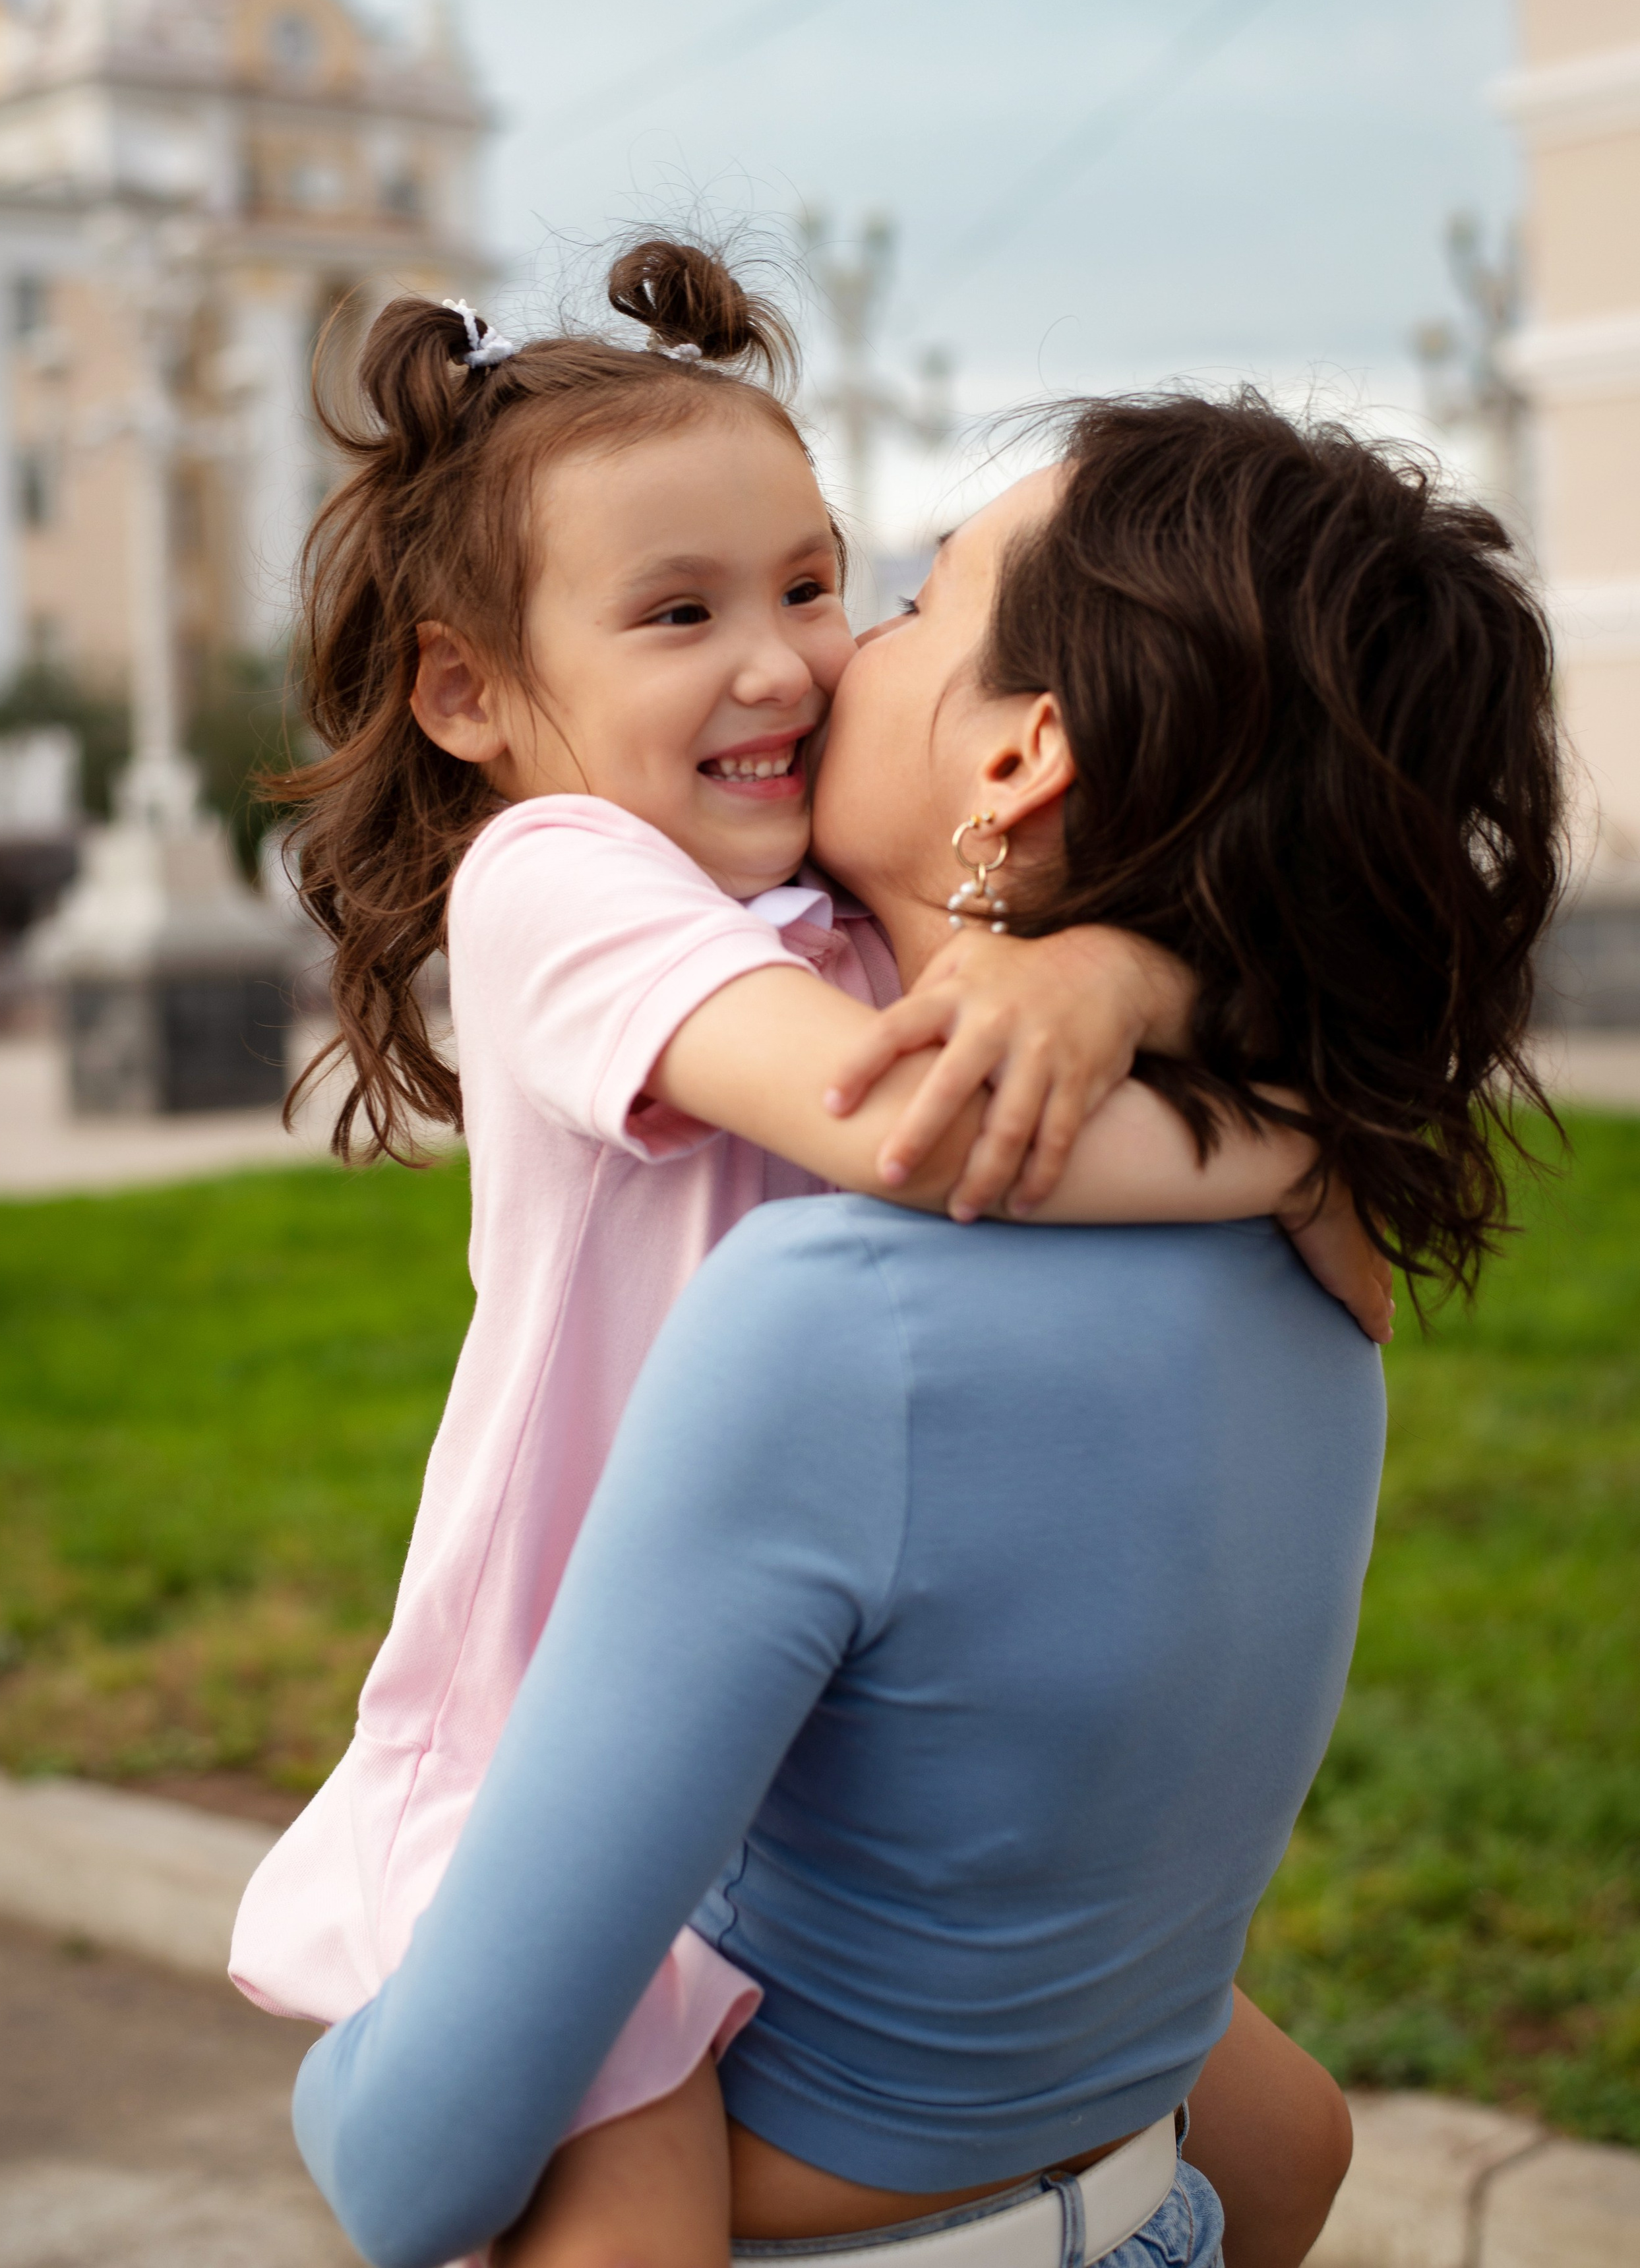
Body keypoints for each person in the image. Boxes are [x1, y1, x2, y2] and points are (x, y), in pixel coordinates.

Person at [289, 389, 1562, 2268]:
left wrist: (1110, 981)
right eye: (682, 613)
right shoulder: (1306, 1270)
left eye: (877, 595)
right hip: (1101, 2167)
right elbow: (924, 1113)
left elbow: (406, 2163)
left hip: (772, 2018)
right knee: (1272, 2128)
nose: (809, 656)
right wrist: (1278, 1123)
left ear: (1026, 755)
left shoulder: (835, 1310)